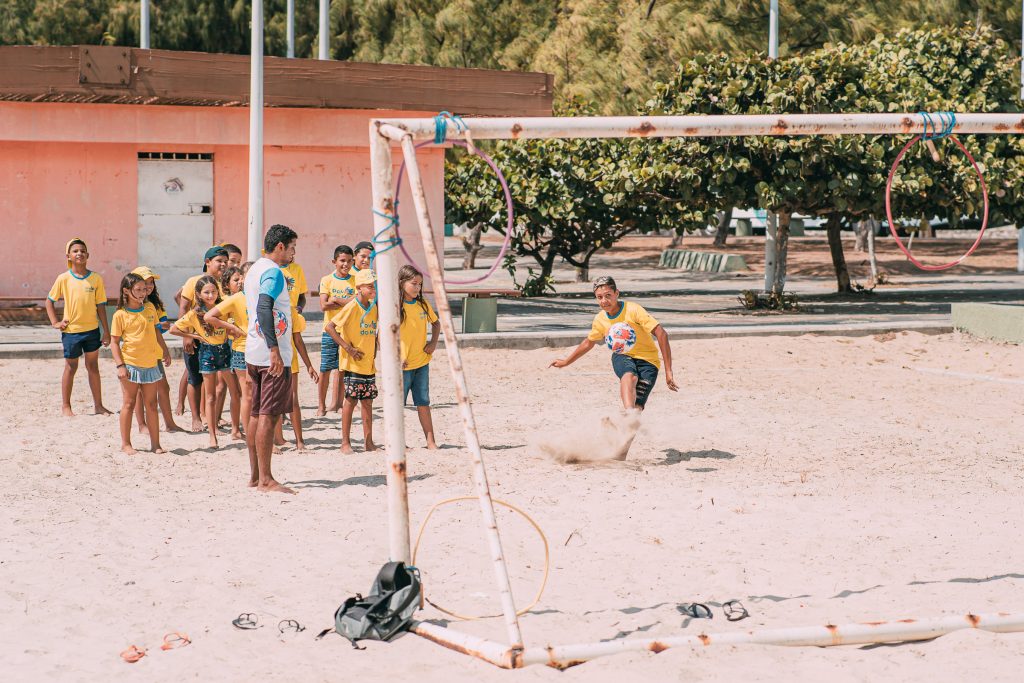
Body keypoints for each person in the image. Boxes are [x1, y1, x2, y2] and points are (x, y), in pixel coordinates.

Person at [550, 275, 678, 412]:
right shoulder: (600, 319)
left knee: (638, 408)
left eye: (608, 295)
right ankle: (628, 412)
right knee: (630, 376)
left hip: (649, 361)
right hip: (622, 355)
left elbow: (661, 333)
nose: (604, 301)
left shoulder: (633, 310)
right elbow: (589, 342)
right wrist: (566, 362)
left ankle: (629, 421)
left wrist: (668, 371)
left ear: (617, 293)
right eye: (599, 297)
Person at [244, 224, 298, 494]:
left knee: (255, 414)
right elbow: (264, 305)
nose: (293, 254)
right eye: (291, 248)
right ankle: (265, 479)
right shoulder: (273, 272)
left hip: (254, 350)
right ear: (280, 247)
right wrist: (274, 348)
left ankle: (255, 476)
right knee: (268, 415)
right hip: (269, 354)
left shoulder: (253, 269)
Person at [45, 239, 111, 416]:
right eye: (75, 251)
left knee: (93, 367)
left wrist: (106, 331)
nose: (79, 253)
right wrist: (55, 322)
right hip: (71, 332)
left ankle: (98, 405)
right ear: (68, 256)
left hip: (91, 331)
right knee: (71, 367)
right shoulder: (64, 278)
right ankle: (66, 406)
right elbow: (49, 302)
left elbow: (101, 307)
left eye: (82, 251)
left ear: (88, 255)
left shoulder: (96, 278)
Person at [170, 275, 236, 449]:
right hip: (207, 353)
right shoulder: (194, 313)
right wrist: (194, 336)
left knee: (236, 392)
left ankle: (236, 429)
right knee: (210, 396)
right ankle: (212, 435)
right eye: (206, 292)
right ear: (198, 294)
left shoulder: (222, 308)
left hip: (225, 351)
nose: (210, 295)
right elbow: (173, 329)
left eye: (213, 291)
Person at [110, 272, 172, 454]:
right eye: (138, 290)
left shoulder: (150, 308)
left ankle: (155, 444)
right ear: (126, 291)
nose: (143, 293)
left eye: (144, 289)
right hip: (130, 364)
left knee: (152, 405)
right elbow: (114, 342)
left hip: (151, 364)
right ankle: (126, 444)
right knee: (129, 404)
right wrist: (120, 365)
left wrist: (165, 351)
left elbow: (156, 333)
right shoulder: (120, 315)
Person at [175, 246, 229, 431]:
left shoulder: (223, 284)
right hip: (196, 336)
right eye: (219, 261)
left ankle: (210, 416)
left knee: (213, 378)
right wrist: (187, 337)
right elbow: (183, 308)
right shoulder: (193, 281)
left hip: (215, 339)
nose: (223, 264)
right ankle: (196, 418)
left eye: (225, 261)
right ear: (207, 262)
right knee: (194, 377)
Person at [326, 268, 378, 454]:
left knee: (368, 402)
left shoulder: (373, 307)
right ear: (359, 288)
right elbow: (330, 327)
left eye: (374, 285)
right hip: (353, 363)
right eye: (370, 286)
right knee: (350, 400)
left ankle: (368, 442)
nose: (373, 288)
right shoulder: (352, 306)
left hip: (368, 364)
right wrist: (348, 348)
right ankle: (345, 443)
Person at [130, 266, 181, 434]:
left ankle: (169, 423)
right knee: (138, 391)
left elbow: (162, 325)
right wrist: (159, 325)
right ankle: (141, 424)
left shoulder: (154, 304)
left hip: (155, 353)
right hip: (136, 355)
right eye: (146, 283)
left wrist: (161, 330)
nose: (149, 286)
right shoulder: (131, 306)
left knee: (163, 388)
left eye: (151, 283)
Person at [204, 265, 251, 442]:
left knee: (239, 392)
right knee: (224, 389)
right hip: (230, 348)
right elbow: (212, 320)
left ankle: (236, 428)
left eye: (241, 278)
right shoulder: (229, 300)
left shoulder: (251, 297)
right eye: (236, 280)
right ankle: (218, 425)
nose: (239, 282)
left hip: (240, 346)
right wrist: (231, 329)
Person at [398, 265, 440, 449]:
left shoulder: (423, 304)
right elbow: (382, 335)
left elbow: (436, 324)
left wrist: (433, 343)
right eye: (414, 284)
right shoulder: (395, 307)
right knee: (398, 406)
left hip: (422, 362)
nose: (417, 288)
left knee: (423, 402)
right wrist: (396, 356)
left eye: (420, 285)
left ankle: (430, 441)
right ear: (402, 283)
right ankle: (399, 442)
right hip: (402, 366)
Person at [316, 245, 356, 416]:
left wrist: (337, 299)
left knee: (342, 368)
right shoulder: (327, 280)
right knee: (325, 368)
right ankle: (321, 405)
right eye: (342, 261)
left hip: (349, 330)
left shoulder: (355, 280)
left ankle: (338, 404)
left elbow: (358, 303)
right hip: (330, 331)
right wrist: (348, 301)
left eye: (349, 261)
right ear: (334, 262)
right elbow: (324, 305)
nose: (345, 264)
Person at [280, 312, 319, 451]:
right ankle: (276, 438)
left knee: (293, 400)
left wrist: (309, 365)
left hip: (290, 361)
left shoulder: (290, 311)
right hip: (269, 360)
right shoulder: (262, 305)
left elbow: (298, 340)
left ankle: (299, 440)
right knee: (271, 400)